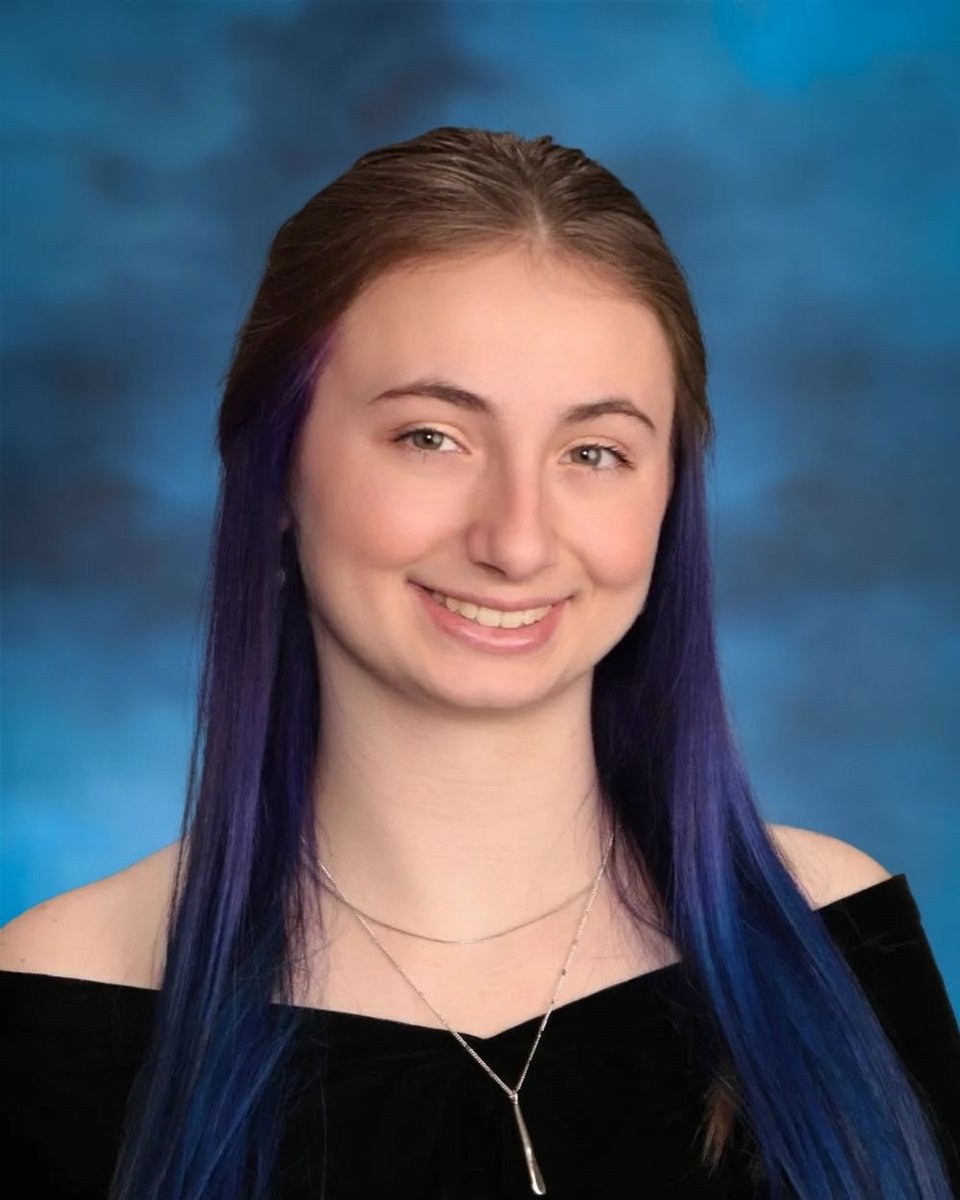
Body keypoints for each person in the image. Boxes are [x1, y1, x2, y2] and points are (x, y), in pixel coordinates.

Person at [1, 126, 958, 1200]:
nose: (516, 540)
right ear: (274, 470)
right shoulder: (59, 996)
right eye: (431, 438)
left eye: (593, 452)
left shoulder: (837, 941)